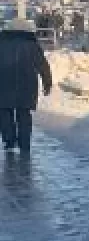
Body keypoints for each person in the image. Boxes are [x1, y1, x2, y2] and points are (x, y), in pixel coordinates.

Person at [0, 19, 53, 154]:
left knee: (5, 114)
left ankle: (9, 141)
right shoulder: (32, 45)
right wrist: (47, 83)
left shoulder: (2, 43)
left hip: (4, 84)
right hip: (27, 86)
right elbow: (43, 66)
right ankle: (24, 144)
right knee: (24, 114)